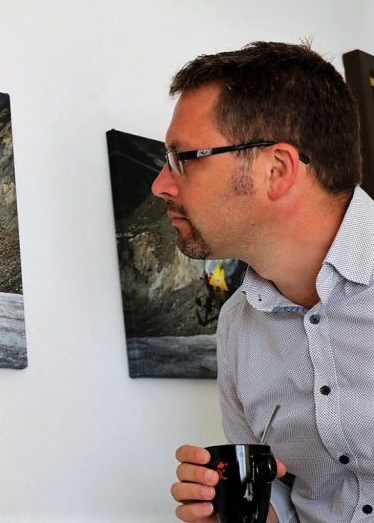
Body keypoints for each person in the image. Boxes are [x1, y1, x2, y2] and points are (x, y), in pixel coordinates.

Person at [153, 42, 372, 523]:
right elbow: (283, 500)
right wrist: (243, 513)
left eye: (182, 158)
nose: (161, 185)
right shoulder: (237, 325)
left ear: (277, 170)